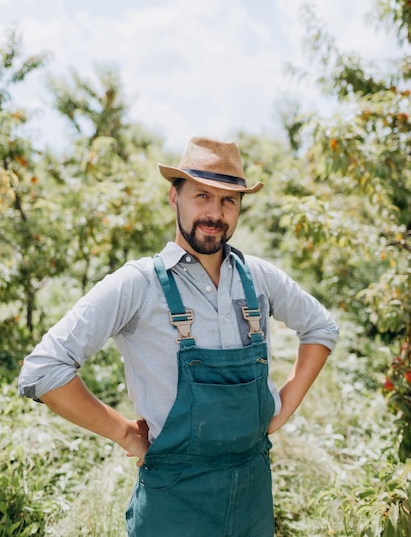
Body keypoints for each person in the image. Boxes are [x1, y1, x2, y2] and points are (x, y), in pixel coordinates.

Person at [19, 135, 338, 536]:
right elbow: (44, 369)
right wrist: (123, 433)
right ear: (175, 197)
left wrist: (286, 405)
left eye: (229, 201)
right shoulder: (138, 284)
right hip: (174, 503)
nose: (215, 213)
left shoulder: (259, 277)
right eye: (202, 196)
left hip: (252, 495)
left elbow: (321, 327)